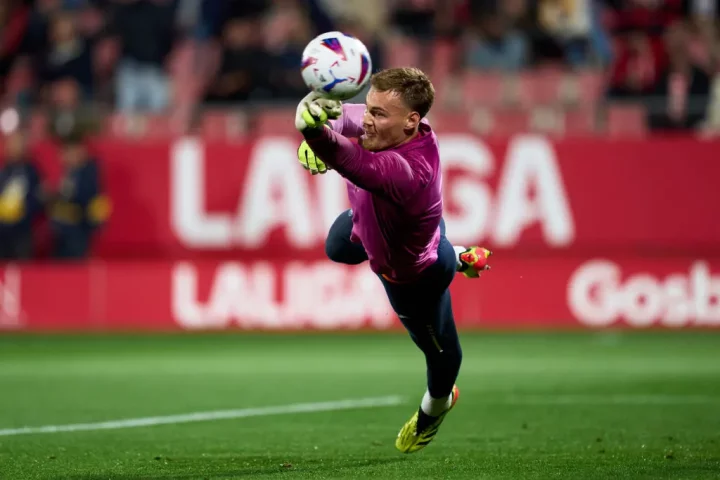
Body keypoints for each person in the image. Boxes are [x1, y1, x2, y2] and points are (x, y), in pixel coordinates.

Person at [294, 67, 492, 453]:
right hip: (396, 231)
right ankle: (457, 251)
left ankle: (435, 409)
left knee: (441, 355)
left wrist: (313, 134)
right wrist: (320, 110)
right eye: (370, 107)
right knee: (337, 246)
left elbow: (350, 161)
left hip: (416, 275)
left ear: (411, 122)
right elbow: (347, 118)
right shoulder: (398, 126)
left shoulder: (406, 171)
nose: (368, 119)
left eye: (379, 114)